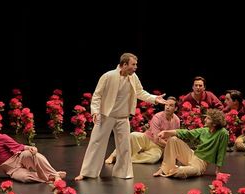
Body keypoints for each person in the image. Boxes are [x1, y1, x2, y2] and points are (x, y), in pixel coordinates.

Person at [74, 53, 167, 181]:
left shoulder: (133, 77)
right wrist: (95, 112)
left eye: (136, 64)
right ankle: (87, 172)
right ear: (124, 64)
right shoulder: (108, 76)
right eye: (133, 64)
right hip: (107, 115)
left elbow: (140, 92)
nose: (136, 67)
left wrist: (154, 98)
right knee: (96, 143)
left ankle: (123, 173)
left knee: (124, 146)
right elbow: (97, 95)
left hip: (123, 117)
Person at [0, 117, 66, 183]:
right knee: (25, 178)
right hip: (10, 169)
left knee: (31, 154)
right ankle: (49, 177)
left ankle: (56, 175)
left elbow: (19, 146)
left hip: (18, 158)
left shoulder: (2, 137)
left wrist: (30, 147)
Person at [153, 109, 228, 178]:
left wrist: (218, 171)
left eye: (208, 118)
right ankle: (164, 168)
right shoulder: (204, 130)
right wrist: (167, 133)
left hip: (200, 164)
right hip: (192, 155)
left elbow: (221, 152)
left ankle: (176, 169)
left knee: (181, 172)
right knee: (173, 140)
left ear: (214, 124)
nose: (205, 120)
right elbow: (187, 133)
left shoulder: (222, 133)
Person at [105, 96, 180, 164]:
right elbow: (156, 138)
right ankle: (113, 155)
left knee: (154, 157)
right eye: (166, 105)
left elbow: (175, 136)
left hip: (159, 146)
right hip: (147, 138)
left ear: (175, 108)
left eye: (171, 106)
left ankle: (128, 159)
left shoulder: (177, 120)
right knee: (133, 135)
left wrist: (172, 148)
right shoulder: (157, 117)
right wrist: (170, 146)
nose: (167, 107)